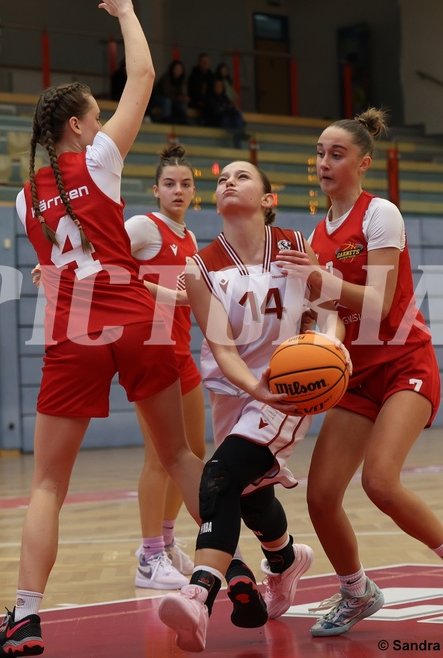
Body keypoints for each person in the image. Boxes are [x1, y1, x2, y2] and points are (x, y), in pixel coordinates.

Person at [0, 0, 203, 658]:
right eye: (96, 114)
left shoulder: (22, 201)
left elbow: (48, 273)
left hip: (73, 333)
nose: (104, 122)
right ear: (77, 127)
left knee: (47, 483)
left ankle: (24, 616)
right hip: (133, 320)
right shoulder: (100, 160)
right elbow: (142, 71)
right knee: (181, 455)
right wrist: (128, 10)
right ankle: (252, 562)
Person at [275, 107, 443, 636]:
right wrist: (313, 348)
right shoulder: (319, 234)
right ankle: (357, 591)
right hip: (356, 373)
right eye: (319, 153)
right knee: (321, 494)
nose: (324, 162)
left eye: (337, 153)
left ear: (363, 163)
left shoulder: (382, 215)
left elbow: (375, 304)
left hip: (404, 363)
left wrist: (319, 281)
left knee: (379, 480)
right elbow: (333, 317)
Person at [157, 160, 351, 652]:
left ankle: (198, 597)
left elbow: (330, 313)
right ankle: (285, 559)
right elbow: (222, 350)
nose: (228, 182)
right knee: (247, 494)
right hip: (236, 391)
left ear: (267, 199)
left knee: (217, 476)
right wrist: (254, 389)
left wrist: (331, 349)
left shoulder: (292, 245)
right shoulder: (200, 267)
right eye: (222, 179)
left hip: (290, 387)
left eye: (242, 177)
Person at [125, 144, 206, 590]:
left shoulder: (190, 238)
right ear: (156, 190)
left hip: (182, 351)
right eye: (170, 183)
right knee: (159, 457)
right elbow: (106, 264)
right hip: (150, 353)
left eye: (186, 183)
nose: (178, 190)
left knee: (192, 454)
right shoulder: (144, 226)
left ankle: (168, 543)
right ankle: (148, 556)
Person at [203, 78, 247, 147]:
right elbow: (216, 112)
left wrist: (228, 109)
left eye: (220, 86)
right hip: (216, 121)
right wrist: (226, 108)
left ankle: (240, 133)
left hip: (227, 118)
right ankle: (239, 134)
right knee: (232, 124)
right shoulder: (210, 98)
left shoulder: (224, 98)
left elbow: (229, 109)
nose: (219, 88)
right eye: (217, 86)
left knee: (237, 116)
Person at [148, 60, 189, 124]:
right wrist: (178, 98)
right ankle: (165, 120)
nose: (178, 71)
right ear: (172, 69)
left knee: (183, 105)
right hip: (158, 98)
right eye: (176, 69)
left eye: (180, 69)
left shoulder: (181, 80)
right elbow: (166, 93)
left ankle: (181, 122)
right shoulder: (167, 77)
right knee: (167, 102)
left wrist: (184, 98)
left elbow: (182, 93)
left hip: (173, 100)